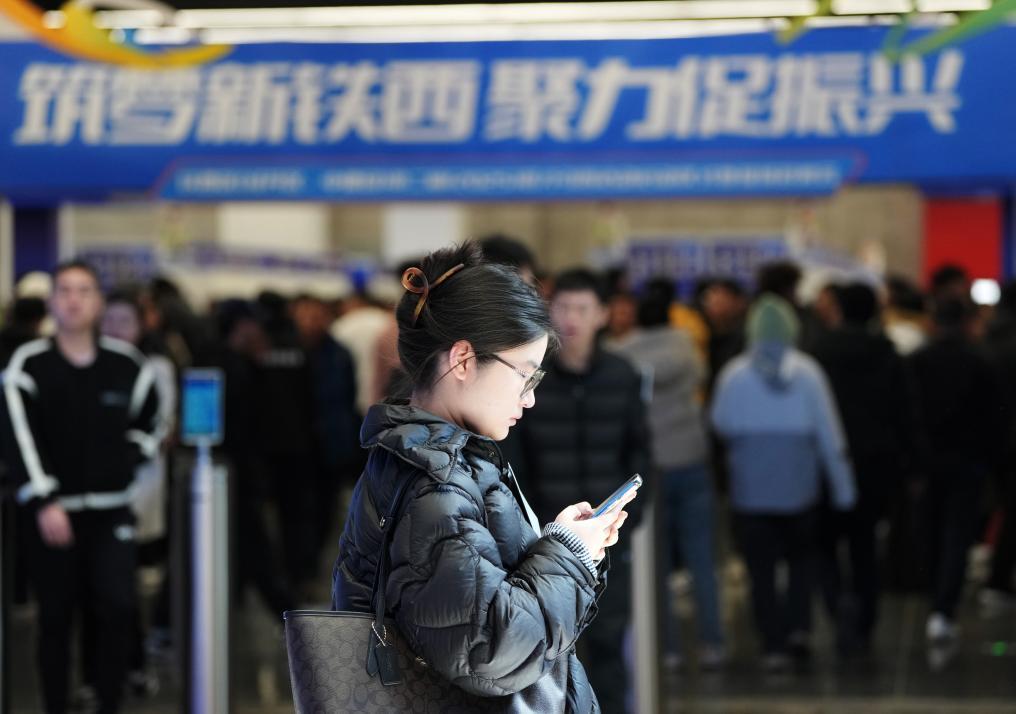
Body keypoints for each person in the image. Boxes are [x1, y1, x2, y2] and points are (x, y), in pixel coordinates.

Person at [332, 243, 636, 712]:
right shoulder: (436, 485)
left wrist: (561, 543)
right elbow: (491, 651)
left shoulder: (433, 462)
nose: (529, 398)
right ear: (463, 359)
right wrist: (568, 554)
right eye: (525, 376)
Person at [2, 260, 161, 714]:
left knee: (117, 608)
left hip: (112, 512)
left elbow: (151, 421)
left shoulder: (126, 364)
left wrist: (127, 460)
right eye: (65, 291)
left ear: (99, 302)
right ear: (52, 302)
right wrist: (43, 498)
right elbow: (19, 437)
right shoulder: (28, 364)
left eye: (84, 290)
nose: (74, 300)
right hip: (51, 515)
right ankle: (56, 704)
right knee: (55, 619)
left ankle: (108, 701)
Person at [501, 268, 650, 713]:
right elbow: (516, 458)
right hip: (543, 541)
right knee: (544, 653)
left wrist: (626, 521)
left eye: (583, 309)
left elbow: (641, 452)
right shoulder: (533, 378)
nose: (571, 319)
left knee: (607, 648)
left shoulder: (622, 375)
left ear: (603, 314)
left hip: (607, 539)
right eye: (563, 308)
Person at [711, 295, 855, 671]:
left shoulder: (734, 375)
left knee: (760, 573)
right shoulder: (809, 374)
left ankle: (772, 643)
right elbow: (831, 437)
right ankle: (799, 629)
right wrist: (844, 491)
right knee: (801, 565)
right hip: (800, 491)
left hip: (751, 494)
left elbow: (720, 423)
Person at [609, 289, 725, 671]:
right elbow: (702, 378)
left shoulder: (623, 354)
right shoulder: (687, 346)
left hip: (651, 466)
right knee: (701, 557)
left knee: (655, 563)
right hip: (691, 458)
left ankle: (668, 649)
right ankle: (712, 643)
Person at [809, 282, 917, 654]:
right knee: (865, 545)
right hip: (875, 463)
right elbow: (905, 412)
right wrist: (910, 462)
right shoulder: (887, 353)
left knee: (825, 542)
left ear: (839, 308)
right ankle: (865, 619)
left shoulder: (818, 351)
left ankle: (836, 604)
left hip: (827, 461)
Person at [909, 297, 1006, 641]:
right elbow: (993, 418)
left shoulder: (918, 361)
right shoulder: (979, 362)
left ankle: (935, 596)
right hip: (968, 462)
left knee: (932, 529)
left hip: (928, 461)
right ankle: (944, 605)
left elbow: (908, 415)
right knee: (956, 534)